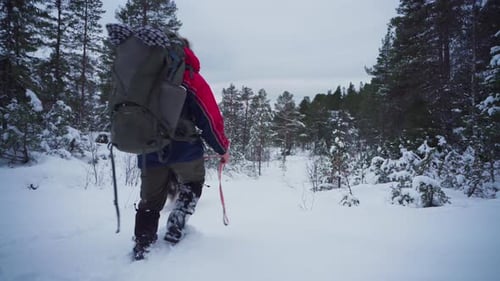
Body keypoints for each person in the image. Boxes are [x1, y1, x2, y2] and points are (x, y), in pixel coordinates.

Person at [132, 37, 230, 259]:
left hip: (149, 148)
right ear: (185, 52)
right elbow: (209, 118)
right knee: (192, 183)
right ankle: (178, 218)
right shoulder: (190, 77)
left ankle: (142, 243)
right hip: (184, 148)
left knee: (151, 199)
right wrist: (222, 148)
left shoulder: (142, 76)